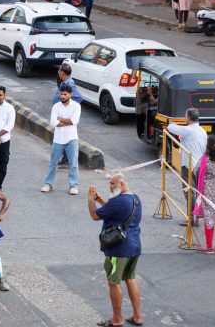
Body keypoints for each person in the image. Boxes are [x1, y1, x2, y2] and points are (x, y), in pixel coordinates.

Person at [88, 173, 143, 327]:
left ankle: (117, 319)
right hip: (134, 246)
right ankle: (137, 317)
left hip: (119, 249)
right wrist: (100, 200)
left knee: (113, 282)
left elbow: (94, 215)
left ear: (122, 183)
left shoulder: (118, 201)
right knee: (130, 278)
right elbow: (115, 212)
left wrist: (90, 198)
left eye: (113, 184)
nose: (110, 187)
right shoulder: (135, 199)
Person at [168, 108, 208, 226]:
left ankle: (192, 218)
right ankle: (196, 215)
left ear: (189, 118)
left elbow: (171, 128)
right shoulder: (202, 131)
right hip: (200, 166)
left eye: (185, 116)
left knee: (189, 192)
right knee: (196, 191)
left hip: (189, 166)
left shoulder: (189, 130)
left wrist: (173, 122)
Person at [42, 84, 82, 195]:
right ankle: (48, 184)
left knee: (73, 164)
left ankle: (73, 186)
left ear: (70, 94)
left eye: (65, 94)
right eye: (61, 94)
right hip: (58, 139)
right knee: (53, 163)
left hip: (72, 138)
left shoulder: (76, 106)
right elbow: (53, 122)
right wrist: (67, 122)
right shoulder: (56, 106)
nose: (63, 96)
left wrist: (61, 120)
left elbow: (75, 121)